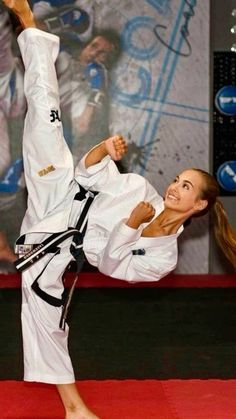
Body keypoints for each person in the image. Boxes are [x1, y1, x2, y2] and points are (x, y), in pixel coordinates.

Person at [3, 1, 236, 419]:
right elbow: (88, 174)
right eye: (177, 180)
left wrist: (131, 227)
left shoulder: (162, 259)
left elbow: (110, 265)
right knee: (45, 113)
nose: (174, 187)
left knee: (43, 311)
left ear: (198, 205)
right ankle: (28, 22)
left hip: (58, 245)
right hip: (58, 188)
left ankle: (74, 409)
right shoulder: (140, 188)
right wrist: (104, 150)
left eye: (185, 187)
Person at [0, 1, 121, 267]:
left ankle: (27, 248)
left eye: (104, 55)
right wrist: (27, 15)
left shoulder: (88, 85)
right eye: (95, 47)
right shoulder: (60, 50)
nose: (96, 54)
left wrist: (95, 93)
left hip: (37, 129)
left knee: (14, 178)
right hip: (16, 93)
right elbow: (36, 37)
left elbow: (82, 123)